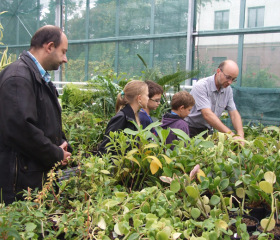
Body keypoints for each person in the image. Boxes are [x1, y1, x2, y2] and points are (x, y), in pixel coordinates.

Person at [0, 25, 72, 204]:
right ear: (49, 47)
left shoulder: (37, 78)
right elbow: (21, 129)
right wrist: (55, 153)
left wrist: (61, 145)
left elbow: (44, 122)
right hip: (22, 183)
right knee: (25, 229)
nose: (65, 59)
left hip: (33, 175)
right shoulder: (19, 77)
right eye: (63, 52)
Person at [186, 60, 244, 140]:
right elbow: (207, 114)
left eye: (233, 79)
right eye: (228, 77)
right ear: (218, 71)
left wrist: (240, 134)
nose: (230, 82)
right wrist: (231, 135)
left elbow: (234, 114)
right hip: (190, 129)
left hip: (207, 130)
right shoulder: (201, 86)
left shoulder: (228, 90)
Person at [98, 80, 149, 154]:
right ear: (139, 98)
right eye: (147, 95)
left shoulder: (134, 116)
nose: (148, 98)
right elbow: (105, 148)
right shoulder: (122, 117)